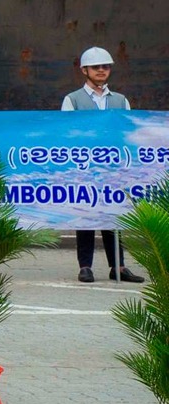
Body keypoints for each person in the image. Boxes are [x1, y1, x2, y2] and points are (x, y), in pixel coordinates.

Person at [62, 46, 138, 283]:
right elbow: (67, 133)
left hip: (113, 169)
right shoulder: (72, 100)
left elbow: (128, 132)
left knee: (113, 216)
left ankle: (118, 267)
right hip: (84, 169)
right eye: (96, 67)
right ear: (84, 70)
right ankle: (85, 266)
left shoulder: (121, 100)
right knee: (85, 217)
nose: (102, 70)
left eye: (105, 66)